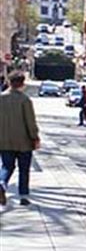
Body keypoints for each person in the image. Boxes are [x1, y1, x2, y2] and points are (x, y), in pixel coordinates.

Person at [0, 71, 42, 207]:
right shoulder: (25, 100)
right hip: (24, 141)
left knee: (7, 166)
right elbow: (30, 122)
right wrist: (35, 137)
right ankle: (23, 196)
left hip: (4, 140)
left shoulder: (1, 98)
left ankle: (2, 183)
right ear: (22, 83)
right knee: (24, 169)